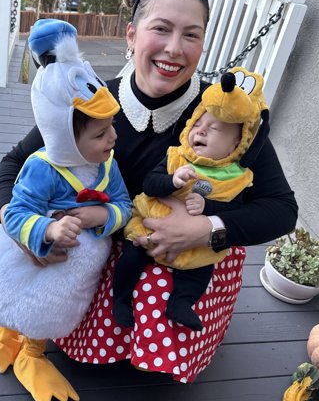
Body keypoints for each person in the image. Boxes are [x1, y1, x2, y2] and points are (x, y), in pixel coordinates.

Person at [0, 0, 298, 401]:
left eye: (191, 34)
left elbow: (281, 209)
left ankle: (167, 338)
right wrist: (22, 233)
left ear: (203, 43)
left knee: (172, 271)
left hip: (180, 256)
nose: (174, 48)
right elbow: (14, 164)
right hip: (100, 236)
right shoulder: (93, 100)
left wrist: (204, 229)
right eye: (161, 29)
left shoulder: (223, 116)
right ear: (132, 35)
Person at [0, 19, 132, 401]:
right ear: (65, 138)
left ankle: (32, 353)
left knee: (44, 309)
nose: (113, 138)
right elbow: (21, 210)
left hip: (76, 257)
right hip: (38, 247)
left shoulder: (108, 163)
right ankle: (4, 331)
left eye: (112, 127)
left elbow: (123, 204)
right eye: (100, 133)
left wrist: (99, 218)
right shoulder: (43, 168)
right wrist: (46, 231)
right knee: (14, 293)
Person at [112, 68, 268, 331]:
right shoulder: (176, 157)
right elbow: (149, 185)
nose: (201, 132)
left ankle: (180, 304)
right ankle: (120, 299)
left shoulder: (235, 177)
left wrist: (208, 207)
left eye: (214, 129)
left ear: (236, 145)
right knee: (131, 256)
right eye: (198, 124)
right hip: (151, 225)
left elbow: (236, 207)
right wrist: (171, 181)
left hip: (198, 242)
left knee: (201, 269)